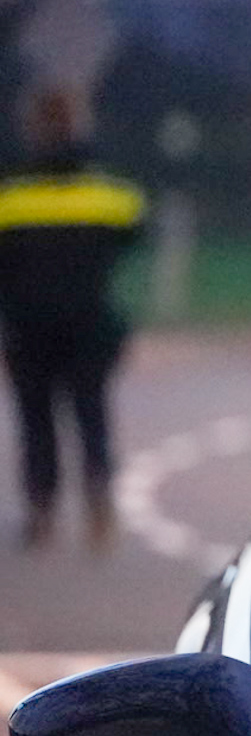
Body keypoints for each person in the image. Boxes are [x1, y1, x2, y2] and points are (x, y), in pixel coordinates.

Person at [0, 87, 145, 550]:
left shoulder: (10, 199)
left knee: (35, 421)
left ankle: (41, 512)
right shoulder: (111, 196)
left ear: (32, 131)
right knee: (91, 414)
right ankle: (99, 507)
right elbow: (133, 238)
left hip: (27, 328)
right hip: (90, 325)